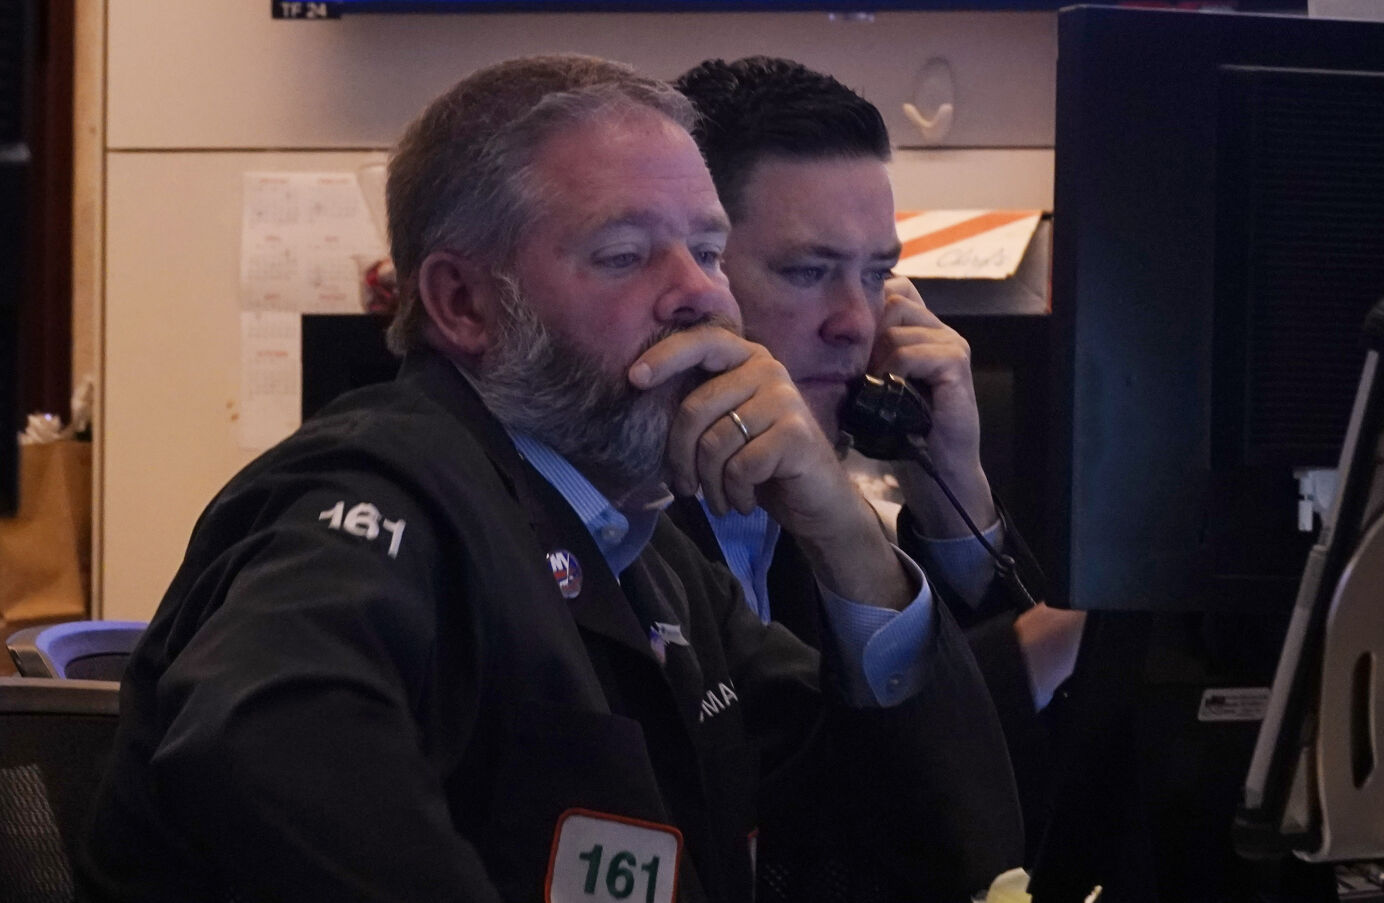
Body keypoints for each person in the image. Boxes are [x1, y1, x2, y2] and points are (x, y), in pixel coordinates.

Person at [80, 56, 1021, 903]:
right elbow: (261, 763)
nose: (698, 292)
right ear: (463, 303)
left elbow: (934, 847)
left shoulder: (646, 555)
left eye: (704, 248)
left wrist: (844, 533)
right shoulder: (373, 494)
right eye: (622, 255)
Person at [674, 55, 1085, 850]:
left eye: (876, 274)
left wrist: (948, 483)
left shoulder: (803, 492)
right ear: (693, 275)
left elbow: (1012, 771)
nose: (853, 322)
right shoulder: (626, 513)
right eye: (807, 271)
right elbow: (812, 800)